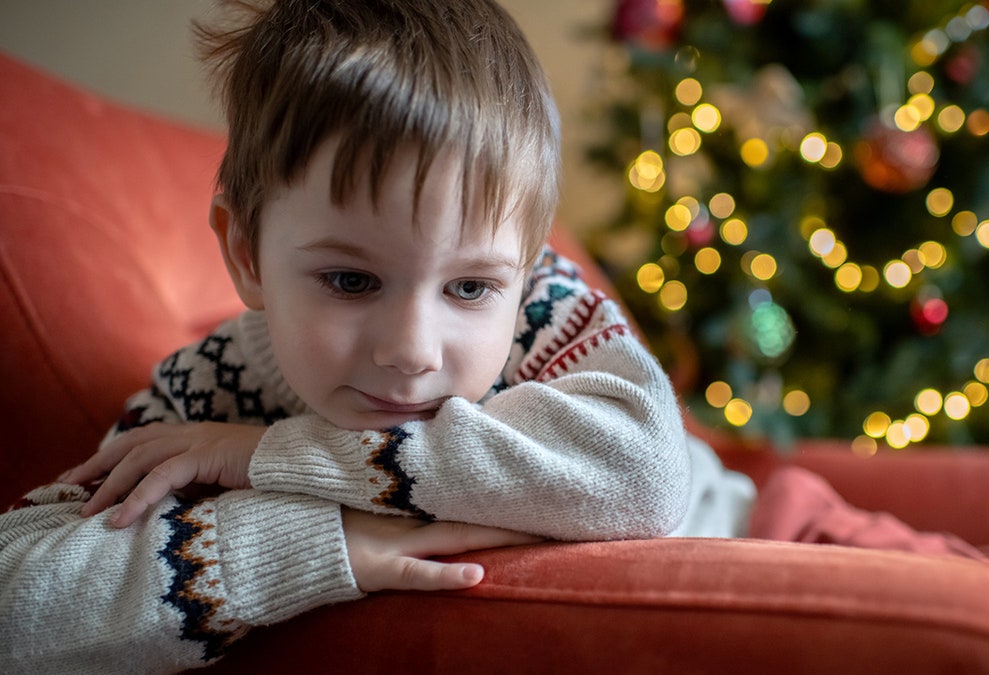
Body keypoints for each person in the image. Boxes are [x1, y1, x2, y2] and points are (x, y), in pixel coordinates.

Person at [0, 0, 754, 671]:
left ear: (524, 273)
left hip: (760, 528)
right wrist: (317, 538)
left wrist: (268, 455)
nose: (412, 350)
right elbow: (15, 600)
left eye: (470, 287)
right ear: (247, 253)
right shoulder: (210, 390)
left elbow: (646, 482)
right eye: (351, 281)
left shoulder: (545, 310)